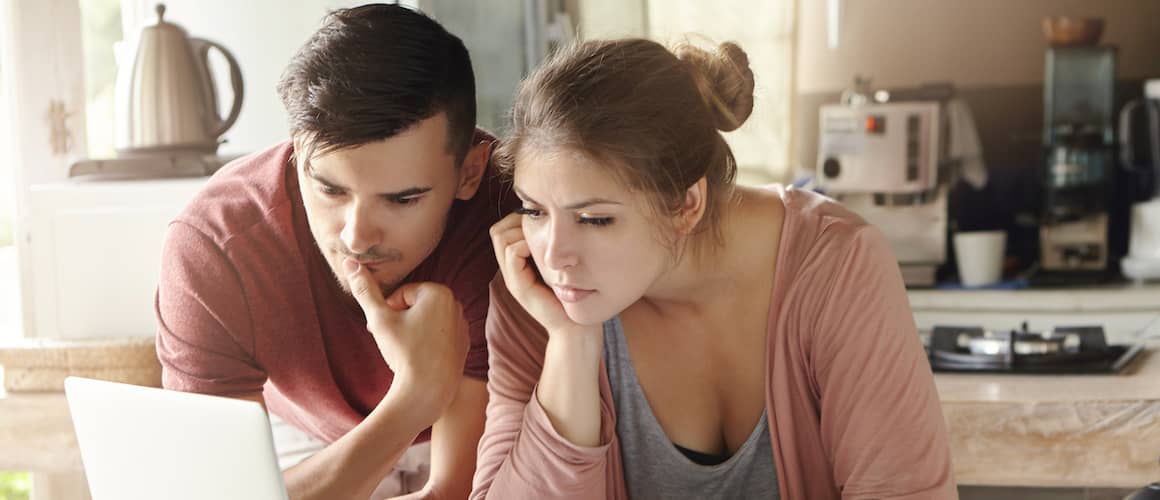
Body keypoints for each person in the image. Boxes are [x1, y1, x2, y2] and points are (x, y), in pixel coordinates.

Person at [472, 38, 957, 499]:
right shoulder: (534, 297)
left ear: (686, 203)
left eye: (595, 218)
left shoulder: (835, 266)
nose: (554, 254)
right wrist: (571, 344)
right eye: (534, 210)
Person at [155, 4, 516, 499]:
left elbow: (451, 491)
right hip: (305, 437)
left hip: (482, 424)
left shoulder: (507, 212)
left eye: (403, 199)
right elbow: (221, 492)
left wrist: (421, 400)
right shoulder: (213, 246)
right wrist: (415, 396)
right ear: (298, 151)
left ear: (469, 173)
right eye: (330, 189)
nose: (356, 237)